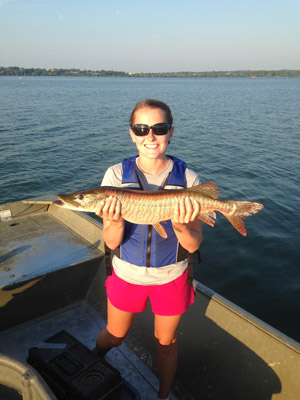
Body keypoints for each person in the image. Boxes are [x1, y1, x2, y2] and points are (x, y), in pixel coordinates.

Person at [95, 99, 202, 400]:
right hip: (127, 274)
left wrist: (181, 226)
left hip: (171, 277)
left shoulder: (188, 180)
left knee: (165, 342)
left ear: (170, 132)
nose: (150, 136)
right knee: (114, 336)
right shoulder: (115, 176)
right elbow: (112, 242)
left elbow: (194, 244)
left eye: (159, 128)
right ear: (132, 133)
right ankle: (94, 355)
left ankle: (163, 395)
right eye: (142, 129)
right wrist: (114, 220)